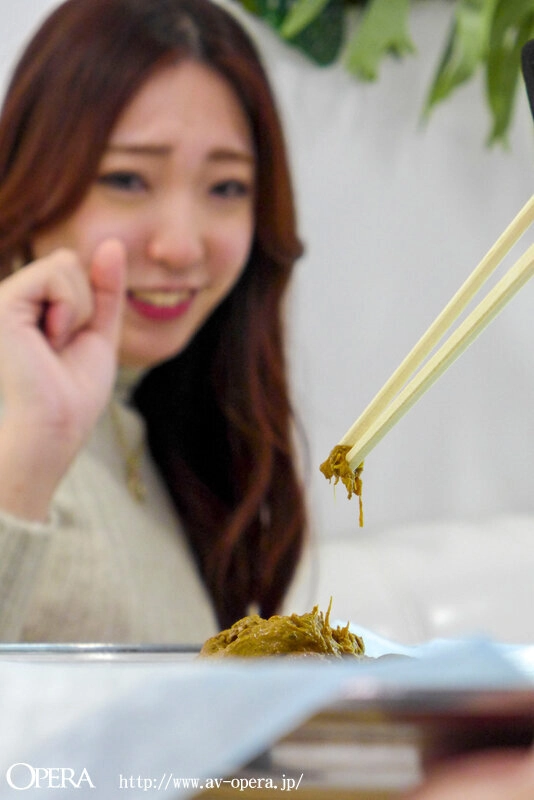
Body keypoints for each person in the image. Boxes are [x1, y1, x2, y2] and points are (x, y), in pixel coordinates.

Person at [0, 0, 307, 642]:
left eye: (226, 188)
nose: (181, 246)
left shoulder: (151, 418)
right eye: (127, 179)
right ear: (31, 177)